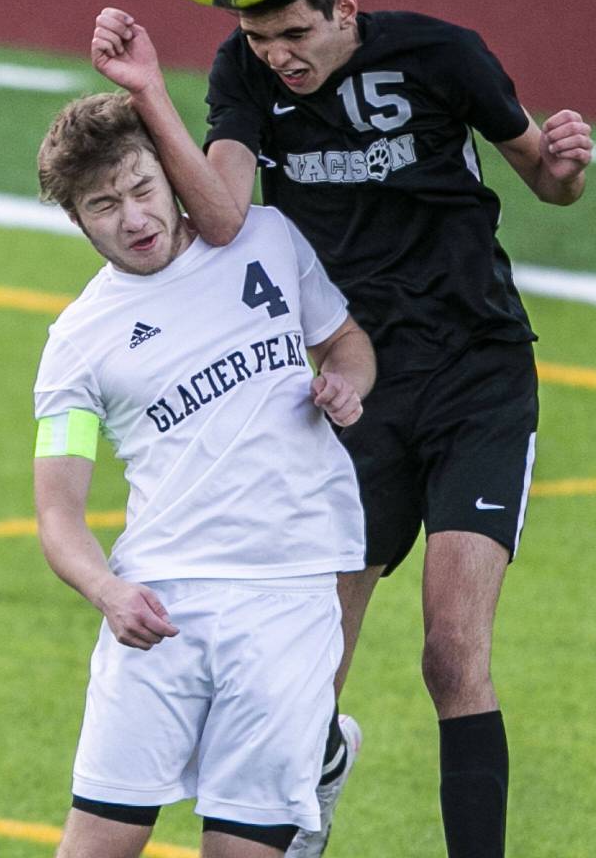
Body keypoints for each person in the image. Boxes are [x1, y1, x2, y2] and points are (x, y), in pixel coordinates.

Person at [92, 0, 593, 858]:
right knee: (307, 663)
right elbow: (228, 215)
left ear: (345, 10)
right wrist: (151, 90)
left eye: (293, 33)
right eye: (257, 33)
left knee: (452, 655)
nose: (279, 53)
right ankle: (310, 772)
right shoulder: (244, 76)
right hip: (350, 389)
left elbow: (544, 175)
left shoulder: (443, 55)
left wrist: (565, 160)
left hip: (477, 376)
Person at [33, 86, 376, 858]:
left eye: (142, 189)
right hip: (160, 604)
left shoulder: (266, 241)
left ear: (169, 171)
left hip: (288, 594)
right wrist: (108, 591)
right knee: (95, 847)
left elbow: (344, 339)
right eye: (102, 205)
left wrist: (347, 382)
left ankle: (314, 758)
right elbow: (58, 514)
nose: (133, 218)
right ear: (78, 220)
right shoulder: (78, 343)